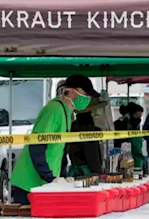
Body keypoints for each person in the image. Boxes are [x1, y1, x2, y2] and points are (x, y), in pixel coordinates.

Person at [11, 75, 100, 204]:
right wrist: (49, 177)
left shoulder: (66, 112)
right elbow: (37, 145)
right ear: (72, 92)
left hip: (45, 183)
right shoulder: (54, 110)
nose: (87, 99)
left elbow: (61, 148)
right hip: (30, 183)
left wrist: (63, 176)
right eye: (85, 94)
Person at [68, 111, 103, 176]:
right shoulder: (89, 129)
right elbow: (93, 157)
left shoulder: (72, 127)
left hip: (74, 171)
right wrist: (99, 174)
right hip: (87, 172)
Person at [114, 102, 145, 172]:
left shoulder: (122, 121)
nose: (139, 118)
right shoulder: (128, 122)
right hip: (126, 145)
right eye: (138, 116)